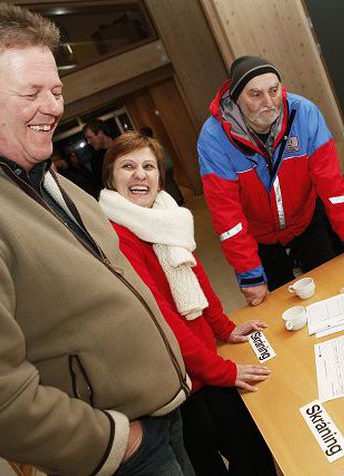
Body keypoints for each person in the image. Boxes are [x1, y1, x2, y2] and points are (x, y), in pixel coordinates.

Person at [0, 3, 194, 475]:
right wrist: (117, 443)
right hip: (123, 454)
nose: (55, 106)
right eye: (32, 92)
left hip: (167, 416)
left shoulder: (42, 176)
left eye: (56, 90)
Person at [98, 132, 277, 476]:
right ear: (111, 177)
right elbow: (162, 320)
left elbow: (197, 280)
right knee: (205, 463)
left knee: (251, 448)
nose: (140, 175)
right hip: (171, 381)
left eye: (148, 166)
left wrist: (223, 327)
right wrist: (222, 371)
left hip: (203, 362)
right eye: (128, 166)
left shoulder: (168, 216)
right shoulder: (115, 236)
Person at [197, 55, 344, 306]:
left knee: (333, 285)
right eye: (255, 95)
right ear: (236, 98)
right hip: (258, 234)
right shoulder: (213, 138)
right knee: (276, 302)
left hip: (305, 216)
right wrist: (249, 273)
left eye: (274, 91)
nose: (268, 102)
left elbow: (332, 184)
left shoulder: (304, 113)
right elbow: (226, 216)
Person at [139, 126, 185, 205]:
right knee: (171, 182)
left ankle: (177, 201)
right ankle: (180, 199)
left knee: (168, 184)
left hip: (163, 166)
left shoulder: (149, 145)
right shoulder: (156, 141)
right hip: (168, 164)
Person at [83, 118, 114, 188]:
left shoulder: (124, 148)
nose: (88, 142)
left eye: (90, 137)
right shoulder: (95, 161)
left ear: (100, 133)